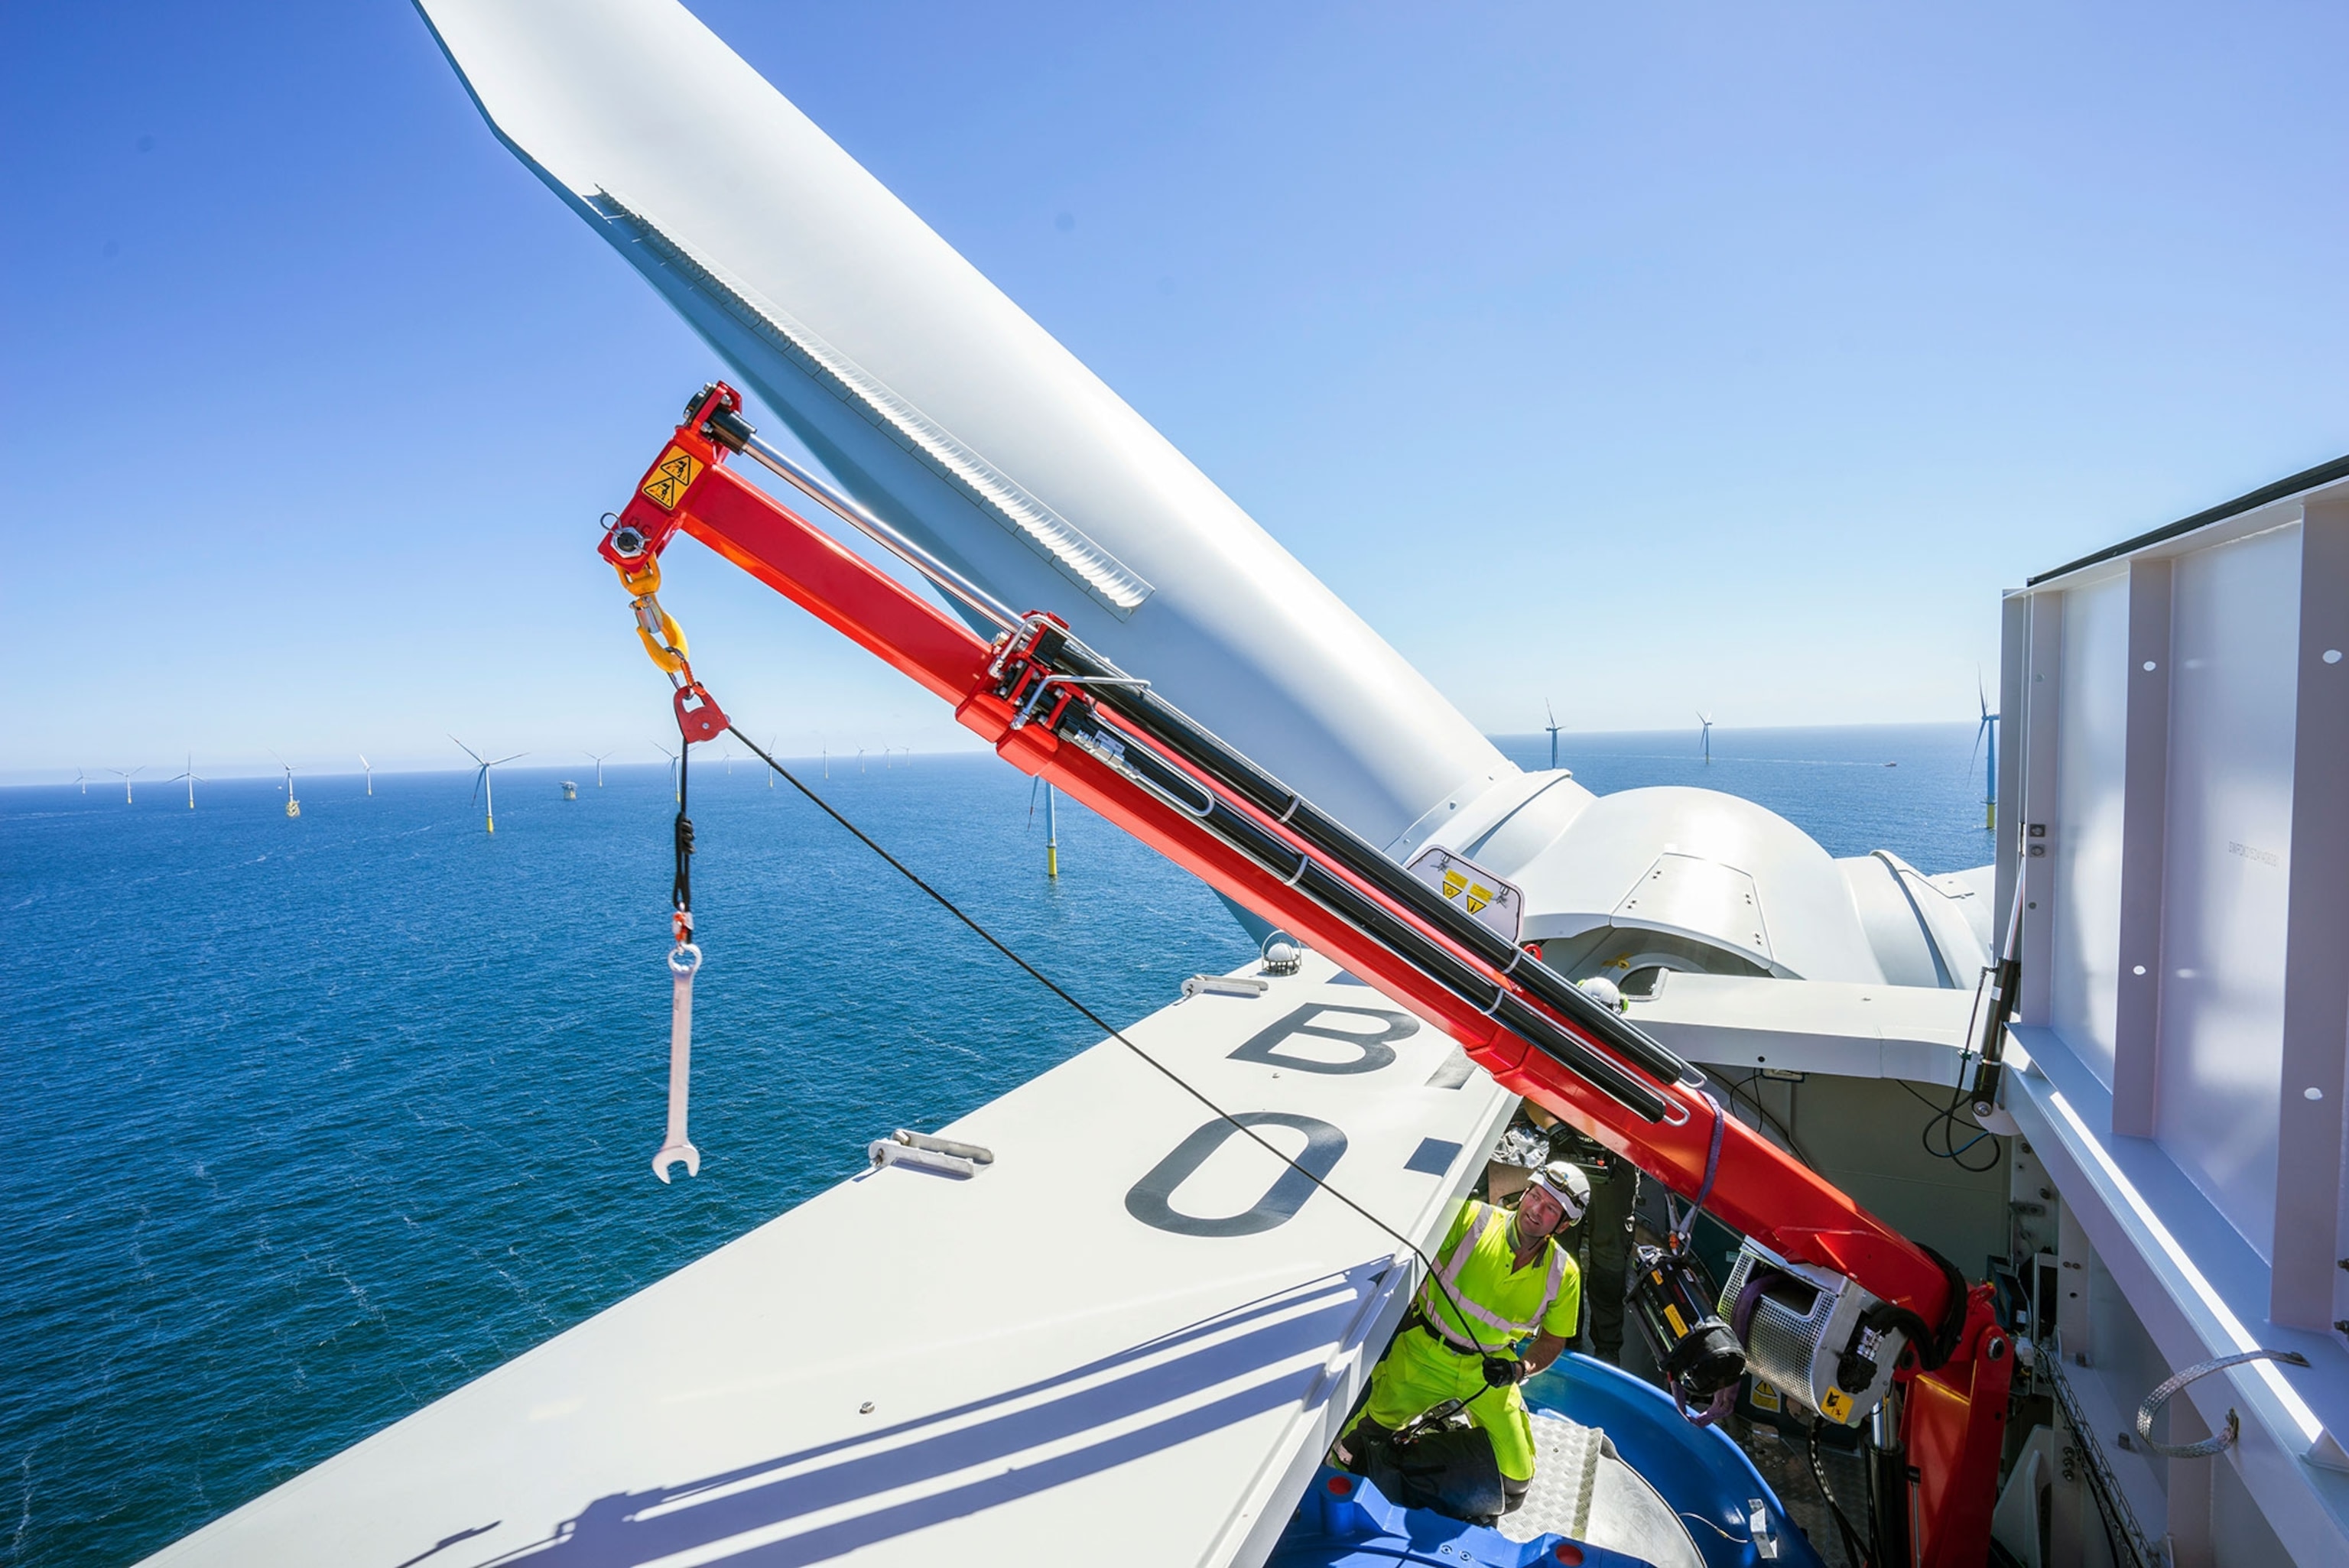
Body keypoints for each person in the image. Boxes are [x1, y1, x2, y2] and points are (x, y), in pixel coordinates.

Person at [1337, 1161, 1589, 1515]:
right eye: (1535, 1195)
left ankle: (1403, 1458)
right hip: (1423, 1354)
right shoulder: (1471, 1219)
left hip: (1487, 1373)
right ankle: (1391, 1456)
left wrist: (1518, 1371)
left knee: (1513, 1486)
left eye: (1550, 1208)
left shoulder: (1565, 1275)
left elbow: (1552, 1341)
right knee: (1350, 1452)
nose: (1535, 1209)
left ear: (1562, 1225)